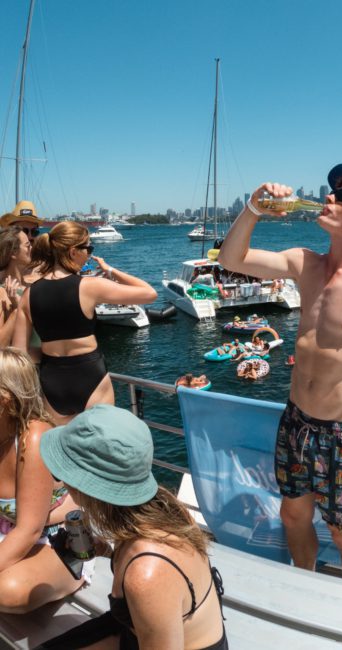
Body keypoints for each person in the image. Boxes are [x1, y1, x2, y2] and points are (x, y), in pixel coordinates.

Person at [218, 164, 342, 583]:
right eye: (331, 193)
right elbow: (231, 258)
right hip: (295, 421)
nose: (330, 198)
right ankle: (303, 585)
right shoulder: (304, 263)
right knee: (292, 515)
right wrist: (254, 206)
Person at [38, 405, 227, 649]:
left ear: (88, 488)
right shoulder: (162, 509)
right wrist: (106, 550)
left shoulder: (146, 574)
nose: (61, 481)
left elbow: (152, 580)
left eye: (62, 473)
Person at [12, 221, 157, 424]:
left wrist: (49, 353)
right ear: (73, 252)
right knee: (100, 447)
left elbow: (20, 352)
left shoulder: (29, 294)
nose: (89, 253)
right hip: (90, 374)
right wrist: (110, 270)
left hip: (51, 379)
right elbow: (149, 293)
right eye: (88, 248)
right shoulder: (89, 286)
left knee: (61, 449)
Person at [0, 347, 82, 613]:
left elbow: (30, 529)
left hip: (61, 539)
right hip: (9, 532)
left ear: (5, 401)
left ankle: (76, 576)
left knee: (7, 591)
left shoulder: (33, 437)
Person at [0, 227, 33, 347]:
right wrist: (17, 309)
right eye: (28, 245)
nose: (31, 248)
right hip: (26, 364)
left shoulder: (29, 285)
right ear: (13, 253)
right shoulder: (2, 292)